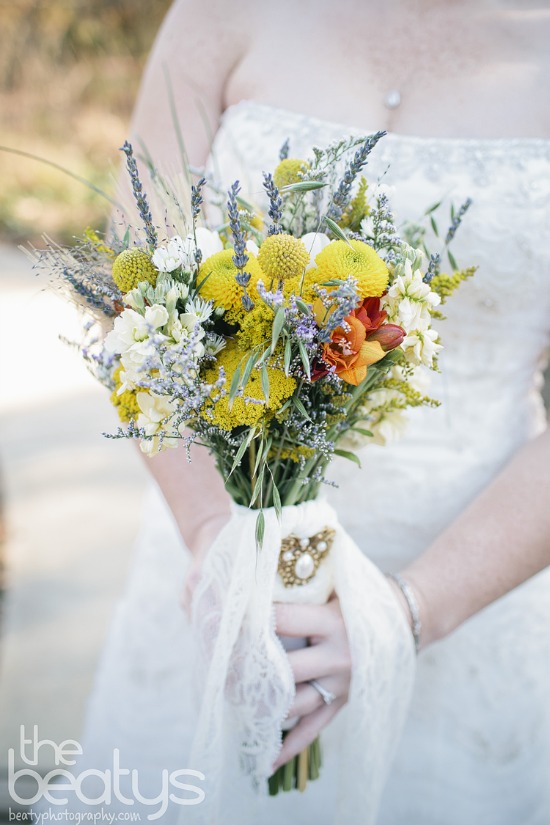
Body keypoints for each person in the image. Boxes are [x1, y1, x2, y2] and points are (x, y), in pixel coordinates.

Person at [46, 1, 550, 823]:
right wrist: (215, 539)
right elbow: (129, 301)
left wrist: (403, 614)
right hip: (217, 566)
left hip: (473, 595)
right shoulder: (223, 13)